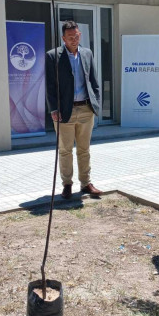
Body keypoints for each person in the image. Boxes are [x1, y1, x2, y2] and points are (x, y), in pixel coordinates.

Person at [45, 21, 101, 199]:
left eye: (76, 36)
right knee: (65, 150)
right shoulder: (53, 56)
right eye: (70, 37)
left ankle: (85, 183)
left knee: (84, 149)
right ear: (63, 38)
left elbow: (93, 79)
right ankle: (67, 184)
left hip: (85, 108)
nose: (74, 40)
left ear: (80, 35)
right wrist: (54, 108)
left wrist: (96, 102)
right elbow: (50, 86)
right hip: (63, 111)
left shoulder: (87, 53)